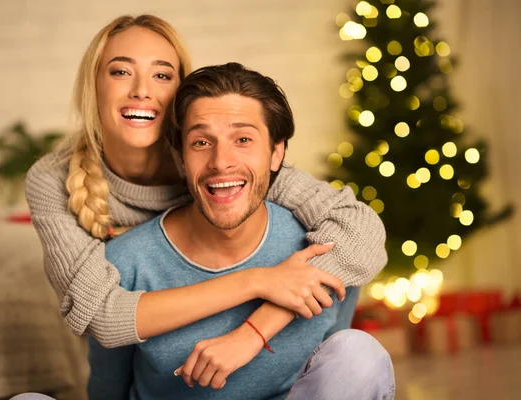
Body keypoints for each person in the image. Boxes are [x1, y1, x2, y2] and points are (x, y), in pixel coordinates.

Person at [24, 14, 387, 351]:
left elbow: (361, 231)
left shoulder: (217, 163)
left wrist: (255, 331)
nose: (141, 90)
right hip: (155, 357)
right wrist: (258, 281)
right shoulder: (53, 179)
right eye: (120, 72)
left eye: (162, 76)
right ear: (94, 86)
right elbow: (101, 315)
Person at [87, 62, 395, 400]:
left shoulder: (326, 246)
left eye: (243, 139)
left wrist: (250, 335)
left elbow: (333, 373)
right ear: (180, 158)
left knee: (357, 353)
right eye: (201, 143)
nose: (221, 161)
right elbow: (108, 387)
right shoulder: (125, 261)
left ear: (276, 153)